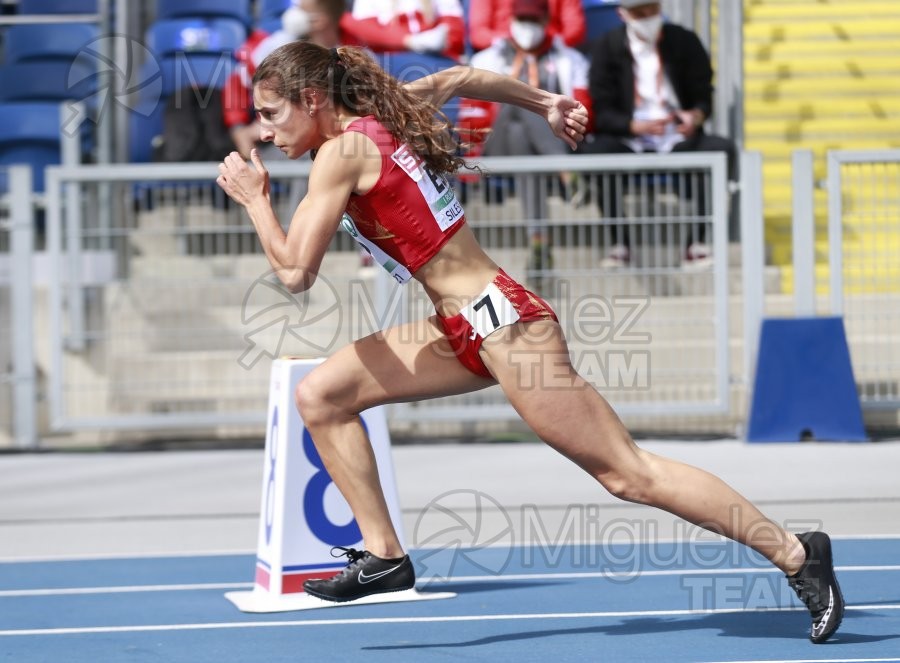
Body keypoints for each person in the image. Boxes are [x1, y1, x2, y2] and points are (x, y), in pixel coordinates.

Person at [215, 41, 844, 644]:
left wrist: (255, 200)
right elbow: (461, 77)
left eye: (272, 115)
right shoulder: (388, 111)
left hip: (506, 326)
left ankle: (795, 553)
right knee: (323, 395)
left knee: (629, 475)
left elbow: (296, 274)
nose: (265, 133)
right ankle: (385, 555)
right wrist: (542, 102)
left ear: (313, 100)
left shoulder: (340, 153)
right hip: (464, 326)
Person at [580, 0, 737, 268]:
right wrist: (632, 126)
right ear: (623, 14)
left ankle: (696, 243)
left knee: (721, 149)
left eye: (652, 10)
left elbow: (703, 94)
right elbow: (602, 108)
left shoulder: (684, 41)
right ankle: (620, 244)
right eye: (639, 13)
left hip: (675, 135)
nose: (647, 17)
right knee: (594, 154)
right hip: (628, 137)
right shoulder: (607, 46)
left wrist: (694, 117)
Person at [459, 0, 592, 290]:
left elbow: (585, 113)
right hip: (496, 145)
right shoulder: (486, 59)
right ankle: (567, 174)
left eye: (532, 22)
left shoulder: (570, 60)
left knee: (523, 135)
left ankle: (538, 243)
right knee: (520, 98)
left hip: (539, 145)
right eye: (521, 21)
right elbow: (471, 119)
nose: (526, 29)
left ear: (546, 22)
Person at [223, 0, 348, 159]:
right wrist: (239, 129)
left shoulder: (355, 54)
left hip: (332, 141)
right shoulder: (275, 45)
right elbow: (237, 82)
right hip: (277, 145)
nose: (292, 14)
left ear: (320, 20)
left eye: (301, 10)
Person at [340, 0, 465, 61]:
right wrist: (410, 42)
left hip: (438, 59)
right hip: (391, 63)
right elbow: (367, 33)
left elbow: (454, 34)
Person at [468, 0, 586, 52]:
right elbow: (478, 34)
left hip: (551, 53)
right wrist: (511, 41)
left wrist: (546, 42)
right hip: (501, 53)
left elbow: (575, 29)